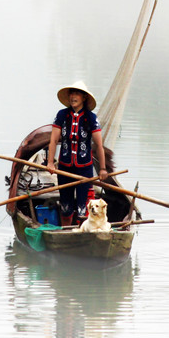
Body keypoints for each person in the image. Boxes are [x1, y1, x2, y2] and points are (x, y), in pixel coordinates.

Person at [46, 80, 109, 227]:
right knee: (66, 206)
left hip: (84, 170)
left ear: (84, 98)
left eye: (77, 94)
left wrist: (103, 169)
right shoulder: (62, 115)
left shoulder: (91, 118)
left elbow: (99, 145)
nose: (73, 97)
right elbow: (53, 141)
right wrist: (50, 162)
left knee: (83, 208)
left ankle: (84, 233)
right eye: (71, 94)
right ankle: (66, 231)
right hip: (65, 169)